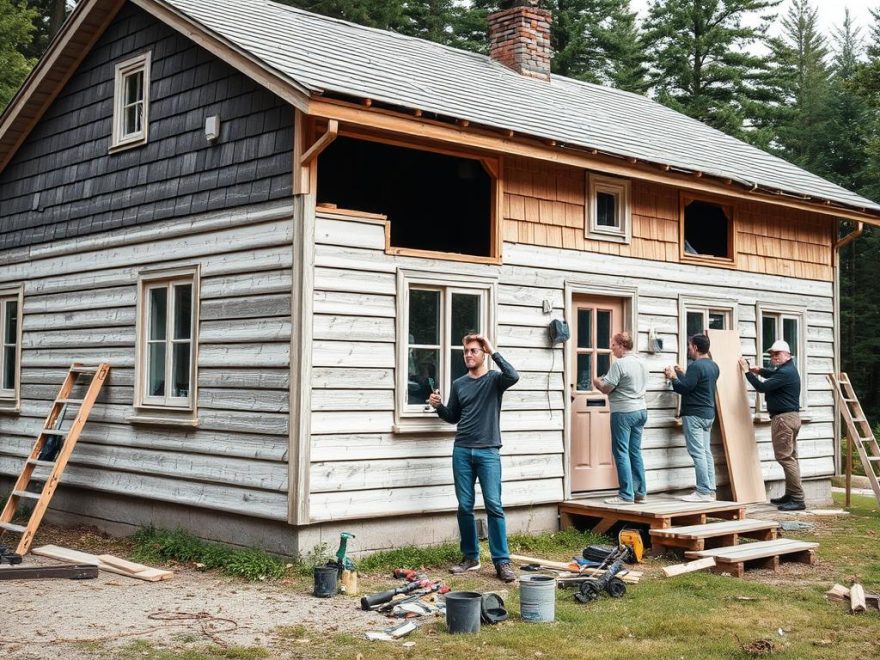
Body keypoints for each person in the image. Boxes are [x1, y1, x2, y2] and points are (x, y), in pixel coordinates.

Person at [429, 333, 520, 582]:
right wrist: (438, 407)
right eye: (466, 351)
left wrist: (493, 351)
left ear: (483, 354)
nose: (469, 354)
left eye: (474, 351)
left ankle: (502, 562)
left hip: (488, 450)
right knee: (464, 506)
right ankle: (471, 558)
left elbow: (514, 376)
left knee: (494, 506)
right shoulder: (459, 384)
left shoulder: (495, 380)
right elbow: (453, 416)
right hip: (462, 450)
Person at [738, 340, 805, 511]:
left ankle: (797, 499)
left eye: (777, 353)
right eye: (772, 354)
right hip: (790, 418)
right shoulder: (786, 370)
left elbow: (761, 387)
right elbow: (772, 376)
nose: (773, 357)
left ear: (787, 355)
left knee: (785, 458)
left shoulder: (785, 373)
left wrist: (747, 372)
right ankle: (791, 494)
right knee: (790, 457)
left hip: (783, 419)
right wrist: (758, 370)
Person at [592, 331, 648, 505]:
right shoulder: (641, 362)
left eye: (614, 345)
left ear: (622, 346)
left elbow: (607, 388)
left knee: (621, 451)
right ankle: (639, 492)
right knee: (635, 451)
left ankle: (625, 495)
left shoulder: (620, 364)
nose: (611, 348)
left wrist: (596, 381)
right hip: (641, 410)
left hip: (623, 412)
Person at [665, 334, 720, 502]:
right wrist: (682, 373)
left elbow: (685, 389)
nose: (688, 348)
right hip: (708, 414)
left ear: (695, 347)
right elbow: (694, 385)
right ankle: (710, 490)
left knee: (697, 453)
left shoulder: (696, 366)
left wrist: (673, 377)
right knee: (705, 452)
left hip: (694, 415)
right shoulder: (713, 366)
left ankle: (702, 491)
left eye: (689, 346)